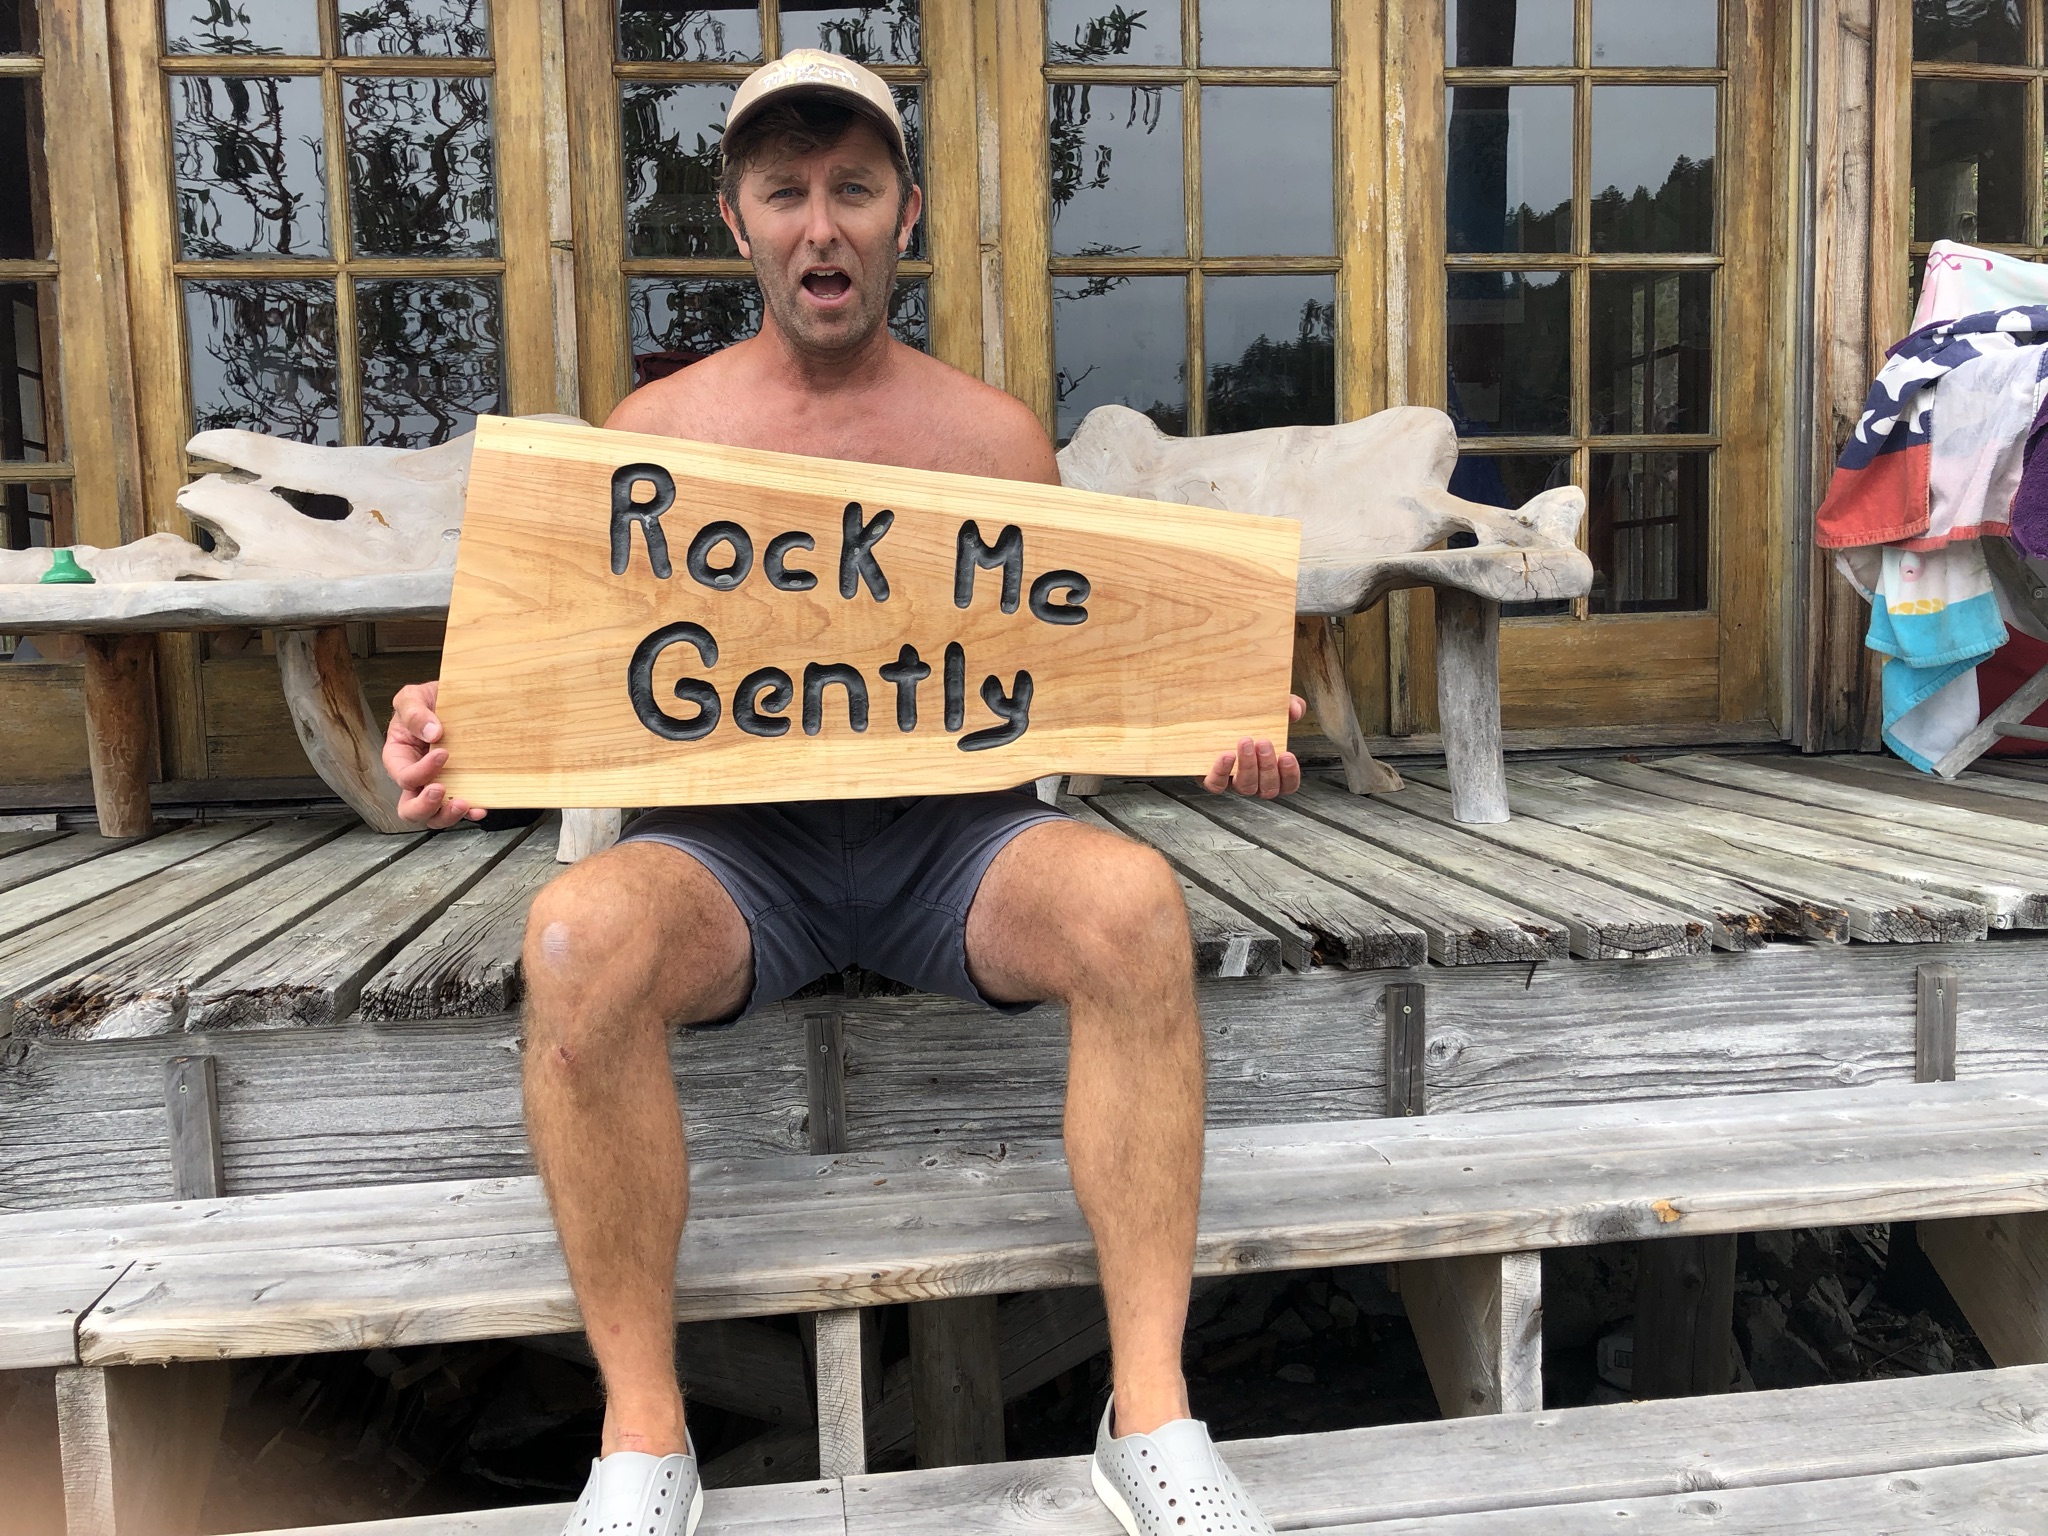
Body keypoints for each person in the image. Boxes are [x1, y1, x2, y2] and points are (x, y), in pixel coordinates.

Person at [383, 49, 1300, 1536]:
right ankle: (643, 1438)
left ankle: (1150, 1413)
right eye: (787, 192)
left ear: (904, 214)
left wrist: (1208, 720)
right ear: (737, 221)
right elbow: (554, 663)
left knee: (1135, 903)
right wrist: (452, 728)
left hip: (956, 842)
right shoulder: (652, 438)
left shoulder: (994, 440)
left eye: (855, 190)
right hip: (734, 858)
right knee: (572, 937)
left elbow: (1071, 658)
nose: (822, 225)